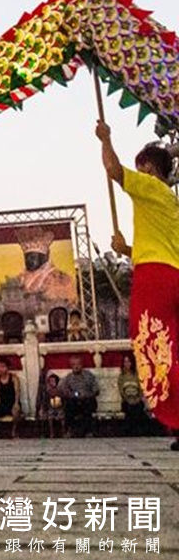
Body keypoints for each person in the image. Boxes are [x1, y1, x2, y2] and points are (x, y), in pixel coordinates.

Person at [96, 122, 179, 449]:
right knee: (171, 350)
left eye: (144, 164)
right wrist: (126, 250)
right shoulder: (171, 204)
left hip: (155, 279)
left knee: (153, 349)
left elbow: (114, 169)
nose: (140, 169)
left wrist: (105, 139)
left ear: (152, 169)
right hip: (171, 276)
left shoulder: (150, 186)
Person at [58, 354, 100, 438]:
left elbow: (96, 390)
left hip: (87, 399)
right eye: (74, 365)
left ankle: (89, 431)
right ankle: (69, 430)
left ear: (82, 365)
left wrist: (87, 394)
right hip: (74, 400)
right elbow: (62, 390)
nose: (76, 367)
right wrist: (71, 394)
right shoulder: (68, 378)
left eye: (78, 364)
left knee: (87, 406)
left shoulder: (89, 376)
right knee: (69, 406)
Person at [0, 358, 22, 438]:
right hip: (2, 405)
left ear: (7, 368)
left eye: (3, 367)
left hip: (12, 404)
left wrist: (16, 403)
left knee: (16, 410)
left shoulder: (13, 378)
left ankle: (14, 431)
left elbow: (17, 392)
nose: (1, 369)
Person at [119, 353, 150, 436]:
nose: (127, 364)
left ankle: (137, 431)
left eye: (128, 362)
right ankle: (131, 431)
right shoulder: (121, 377)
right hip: (127, 400)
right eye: (125, 362)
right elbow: (122, 391)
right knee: (129, 408)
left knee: (137, 408)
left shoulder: (137, 375)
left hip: (137, 399)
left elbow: (141, 390)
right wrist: (128, 400)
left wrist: (137, 399)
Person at [37, 372, 64, 439]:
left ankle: (63, 430)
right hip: (50, 408)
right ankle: (51, 432)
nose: (52, 383)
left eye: (53, 381)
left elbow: (63, 399)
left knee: (62, 415)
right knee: (50, 416)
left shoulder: (59, 390)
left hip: (59, 407)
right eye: (50, 381)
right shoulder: (47, 391)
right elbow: (45, 401)